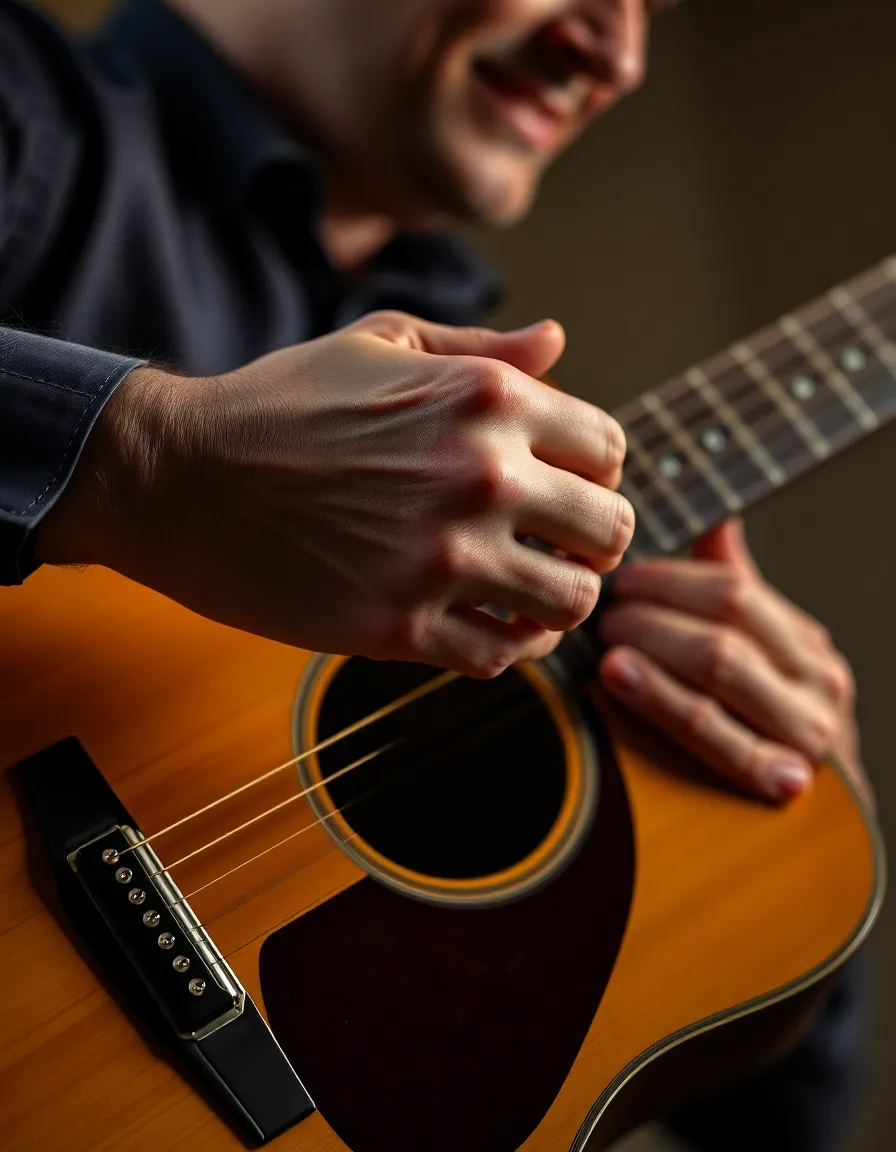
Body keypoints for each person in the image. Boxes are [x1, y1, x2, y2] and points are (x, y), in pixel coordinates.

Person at [0, 1, 869, 1149]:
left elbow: (774, 1131)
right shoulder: (26, 113)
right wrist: (145, 457)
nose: (616, 52)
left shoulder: (511, 485)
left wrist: (795, 809)